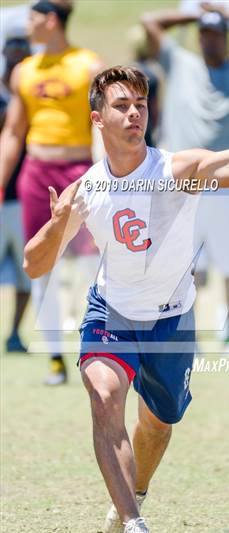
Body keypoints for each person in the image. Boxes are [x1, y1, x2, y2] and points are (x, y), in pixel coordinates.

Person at [23, 65, 229, 533]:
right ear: (97, 118)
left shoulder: (177, 171)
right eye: (121, 105)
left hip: (172, 318)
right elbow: (34, 264)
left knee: (160, 423)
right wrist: (56, 224)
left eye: (141, 105)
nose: (134, 113)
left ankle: (134, 494)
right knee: (105, 396)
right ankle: (134, 525)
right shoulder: (86, 190)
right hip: (112, 313)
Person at [141, 4, 229, 351]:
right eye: (204, 34)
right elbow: (150, 20)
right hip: (183, 182)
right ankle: (188, 330)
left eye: (216, 34)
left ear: (227, 37)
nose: (209, 41)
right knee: (182, 262)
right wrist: (195, 15)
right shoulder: (182, 63)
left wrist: (224, 10)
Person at [0, 0, 103, 384]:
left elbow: (105, 125)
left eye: (32, 17)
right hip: (36, 172)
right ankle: (55, 357)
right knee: (40, 262)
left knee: (93, 262)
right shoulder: (24, 72)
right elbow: (13, 132)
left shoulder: (89, 66)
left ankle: (96, 346)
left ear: (51, 19)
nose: (27, 24)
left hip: (79, 171)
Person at [0, 32, 32, 352]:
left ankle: (14, 333)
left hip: (23, 198)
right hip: (1, 197)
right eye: (13, 52)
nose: (16, 59)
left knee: (27, 274)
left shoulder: (34, 98)